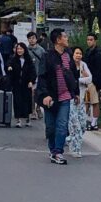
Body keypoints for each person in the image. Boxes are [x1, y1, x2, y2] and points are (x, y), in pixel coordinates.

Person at [35, 28, 79, 165]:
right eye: (65, 36)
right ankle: (53, 150)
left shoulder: (68, 55)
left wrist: (76, 92)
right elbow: (42, 77)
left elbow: (73, 76)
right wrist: (45, 95)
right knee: (51, 126)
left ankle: (58, 152)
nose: (67, 39)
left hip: (65, 95)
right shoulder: (48, 56)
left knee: (62, 125)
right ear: (58, 40)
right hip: (51, 97)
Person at [68, 47, 92, 157]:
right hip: (71, 99)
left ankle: (69, 139)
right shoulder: (69, 65)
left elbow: (90, 79)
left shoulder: (83, 65)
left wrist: (78, 80)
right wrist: (80, 79)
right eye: (76, 53)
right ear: (72, 54)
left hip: (81, 99)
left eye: (80, 53)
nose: (78, 55)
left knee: (82, 125)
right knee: (75, 125)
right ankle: (75, 149)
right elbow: (69, 79)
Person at [6, 42, 37, 127]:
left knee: (27, 100)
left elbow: (32, 72)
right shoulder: (13, 59)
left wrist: (31, 81)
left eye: (21, 49)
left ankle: (27, 118)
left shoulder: (28, 60)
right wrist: (9, 67)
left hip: (26, 83)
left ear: (24, 50)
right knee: (17, 101)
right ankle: (18, 119)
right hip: (16, 83)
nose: (19, 50)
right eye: (18, 49)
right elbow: (8, 64)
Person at [84, 33, 101, 131]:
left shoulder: (98, 53)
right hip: (87, 80)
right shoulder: (87, 52)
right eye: (88, 39)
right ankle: (88, 120)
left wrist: (95, 81)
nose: (89, 41)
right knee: (87, 101)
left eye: (91, 39)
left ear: (95, 41)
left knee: (94, 102)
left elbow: (99, 69)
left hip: (94, 81)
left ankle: (94, 122)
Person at [27, 32, 46, 119]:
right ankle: (33, 110)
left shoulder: (41, 50)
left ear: (36, 39)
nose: (31, 40)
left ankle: (38, 107)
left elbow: (45, 61)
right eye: (30, 38)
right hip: (30, 75)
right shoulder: (26, 50)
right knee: (31, 93)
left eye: (33, 38)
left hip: (40, 74)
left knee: (38, 93)